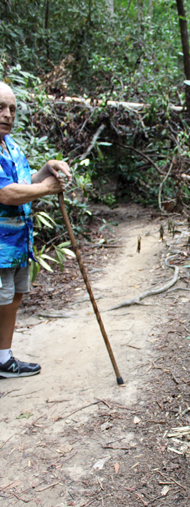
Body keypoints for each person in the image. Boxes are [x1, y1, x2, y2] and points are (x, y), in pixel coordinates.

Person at [0, 81, 71, 378]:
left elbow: (24, 182)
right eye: (1, 107)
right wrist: (44, 188)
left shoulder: (10, 145)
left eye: (12, 109)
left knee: (12, 298)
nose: (7, 114)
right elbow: (5, 194)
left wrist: (48, 168)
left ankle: (4, 359)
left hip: (16, 243)